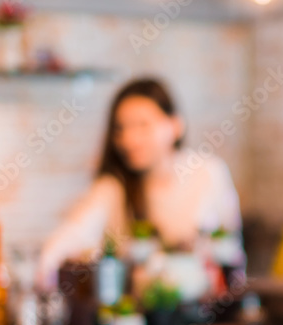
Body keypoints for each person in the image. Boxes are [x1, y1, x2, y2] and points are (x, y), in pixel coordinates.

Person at [36, 77, 243, 291]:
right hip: (142, 316)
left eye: (142, 125)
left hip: (206, 307)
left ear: (176, 125)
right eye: (121, 128)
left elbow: (233, 249)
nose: (129, 139)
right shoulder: (113, 188)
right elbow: (63, 242)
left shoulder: (208, 173)